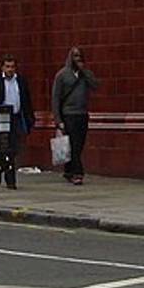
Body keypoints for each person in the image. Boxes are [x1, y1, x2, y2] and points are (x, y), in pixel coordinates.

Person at [50, 46, 99, 185]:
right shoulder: (62, 75)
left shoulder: (85, 74)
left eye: (80, 56)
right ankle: (78, 173)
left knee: (79, 144)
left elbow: (95, 85)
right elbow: (56, 98)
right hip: (68, 114)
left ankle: (68, 170)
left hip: (82, 114)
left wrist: (84, 72)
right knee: (74, 145)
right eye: (75, 56)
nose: (78, 59)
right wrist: (58, 120)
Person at [0, 55, 32, 189]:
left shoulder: (20, 81)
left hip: (16, 116)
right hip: (2, 116)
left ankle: (6, 172)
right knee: (2, 148)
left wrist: (30, 118)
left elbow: (26, 99)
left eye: (12, 67)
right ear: (2, 67)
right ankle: (4, 173)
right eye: (7, 66)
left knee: (13, 149)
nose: (10, 69)